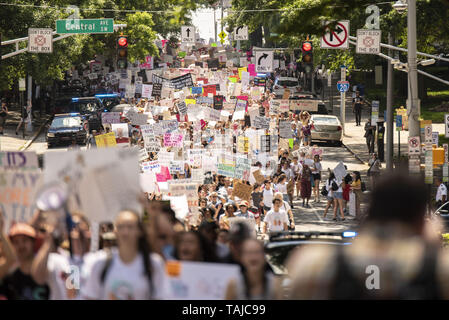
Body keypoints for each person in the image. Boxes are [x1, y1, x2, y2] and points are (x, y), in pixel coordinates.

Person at [287, 172, 449, 299]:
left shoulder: (315, 264)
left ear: (370, 211)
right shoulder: (439, 270)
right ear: (420, 221)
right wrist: (432, 246)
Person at [81, 210, 168, 300]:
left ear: (139, 231)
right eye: (120, 227)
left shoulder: (153, 264)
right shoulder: (100, 263)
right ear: (115, 231)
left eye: (130, 227)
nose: (125, 232)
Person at [0, 221, 50, 300]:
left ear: (34, 243)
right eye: (16, 242)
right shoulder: (9, 278)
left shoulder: (49, 270)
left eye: (25, 240)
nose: (21, 245)